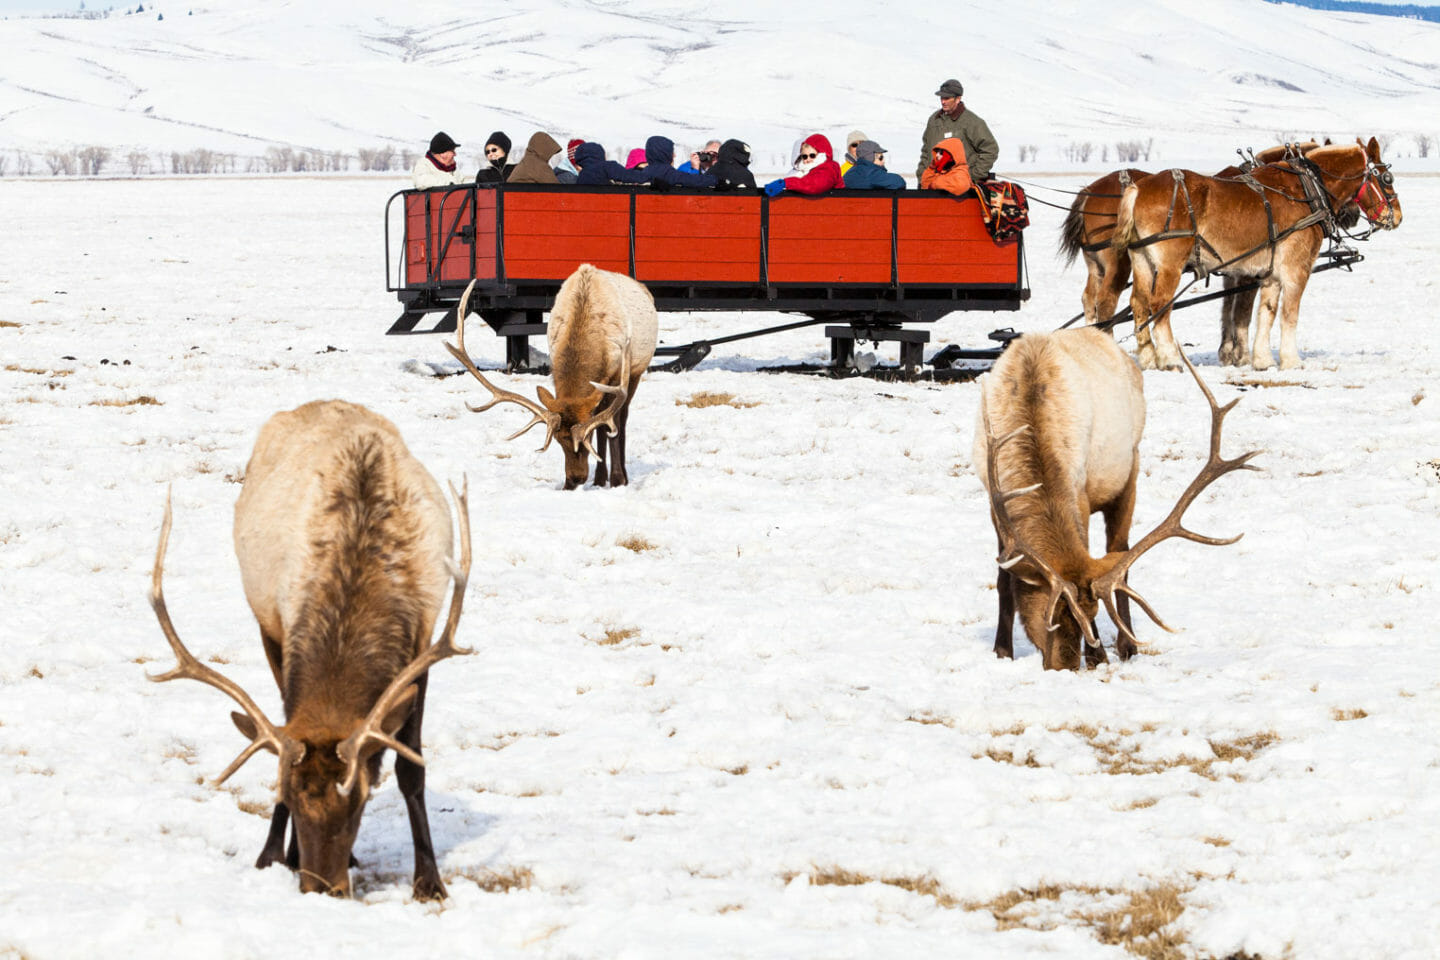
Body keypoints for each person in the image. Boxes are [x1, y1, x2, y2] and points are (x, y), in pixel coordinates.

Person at [916, 79, 997, 182]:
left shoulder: (972, 122)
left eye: (947, 98)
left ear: (958, 99)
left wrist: (972, 176)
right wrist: (922, 176)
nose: (942, 101)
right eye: (941, 97)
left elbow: (991, 150)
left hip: (960, 189)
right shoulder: (934, 120)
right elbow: (926, 151)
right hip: (933, 186)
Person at [613, 135, 716, 189]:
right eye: (672, 152)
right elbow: (696, 181)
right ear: (666, 153)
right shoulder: (671, 174)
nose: (674, 155)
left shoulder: (640, 174)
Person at [763, 134, 844, 197]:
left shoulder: (829, 168)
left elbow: (814, 185)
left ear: (821, 154)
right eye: (804, 156)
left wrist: (786, 183)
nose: (808, 159)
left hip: (832, 209)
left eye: (812, 155)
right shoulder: (807, 170)